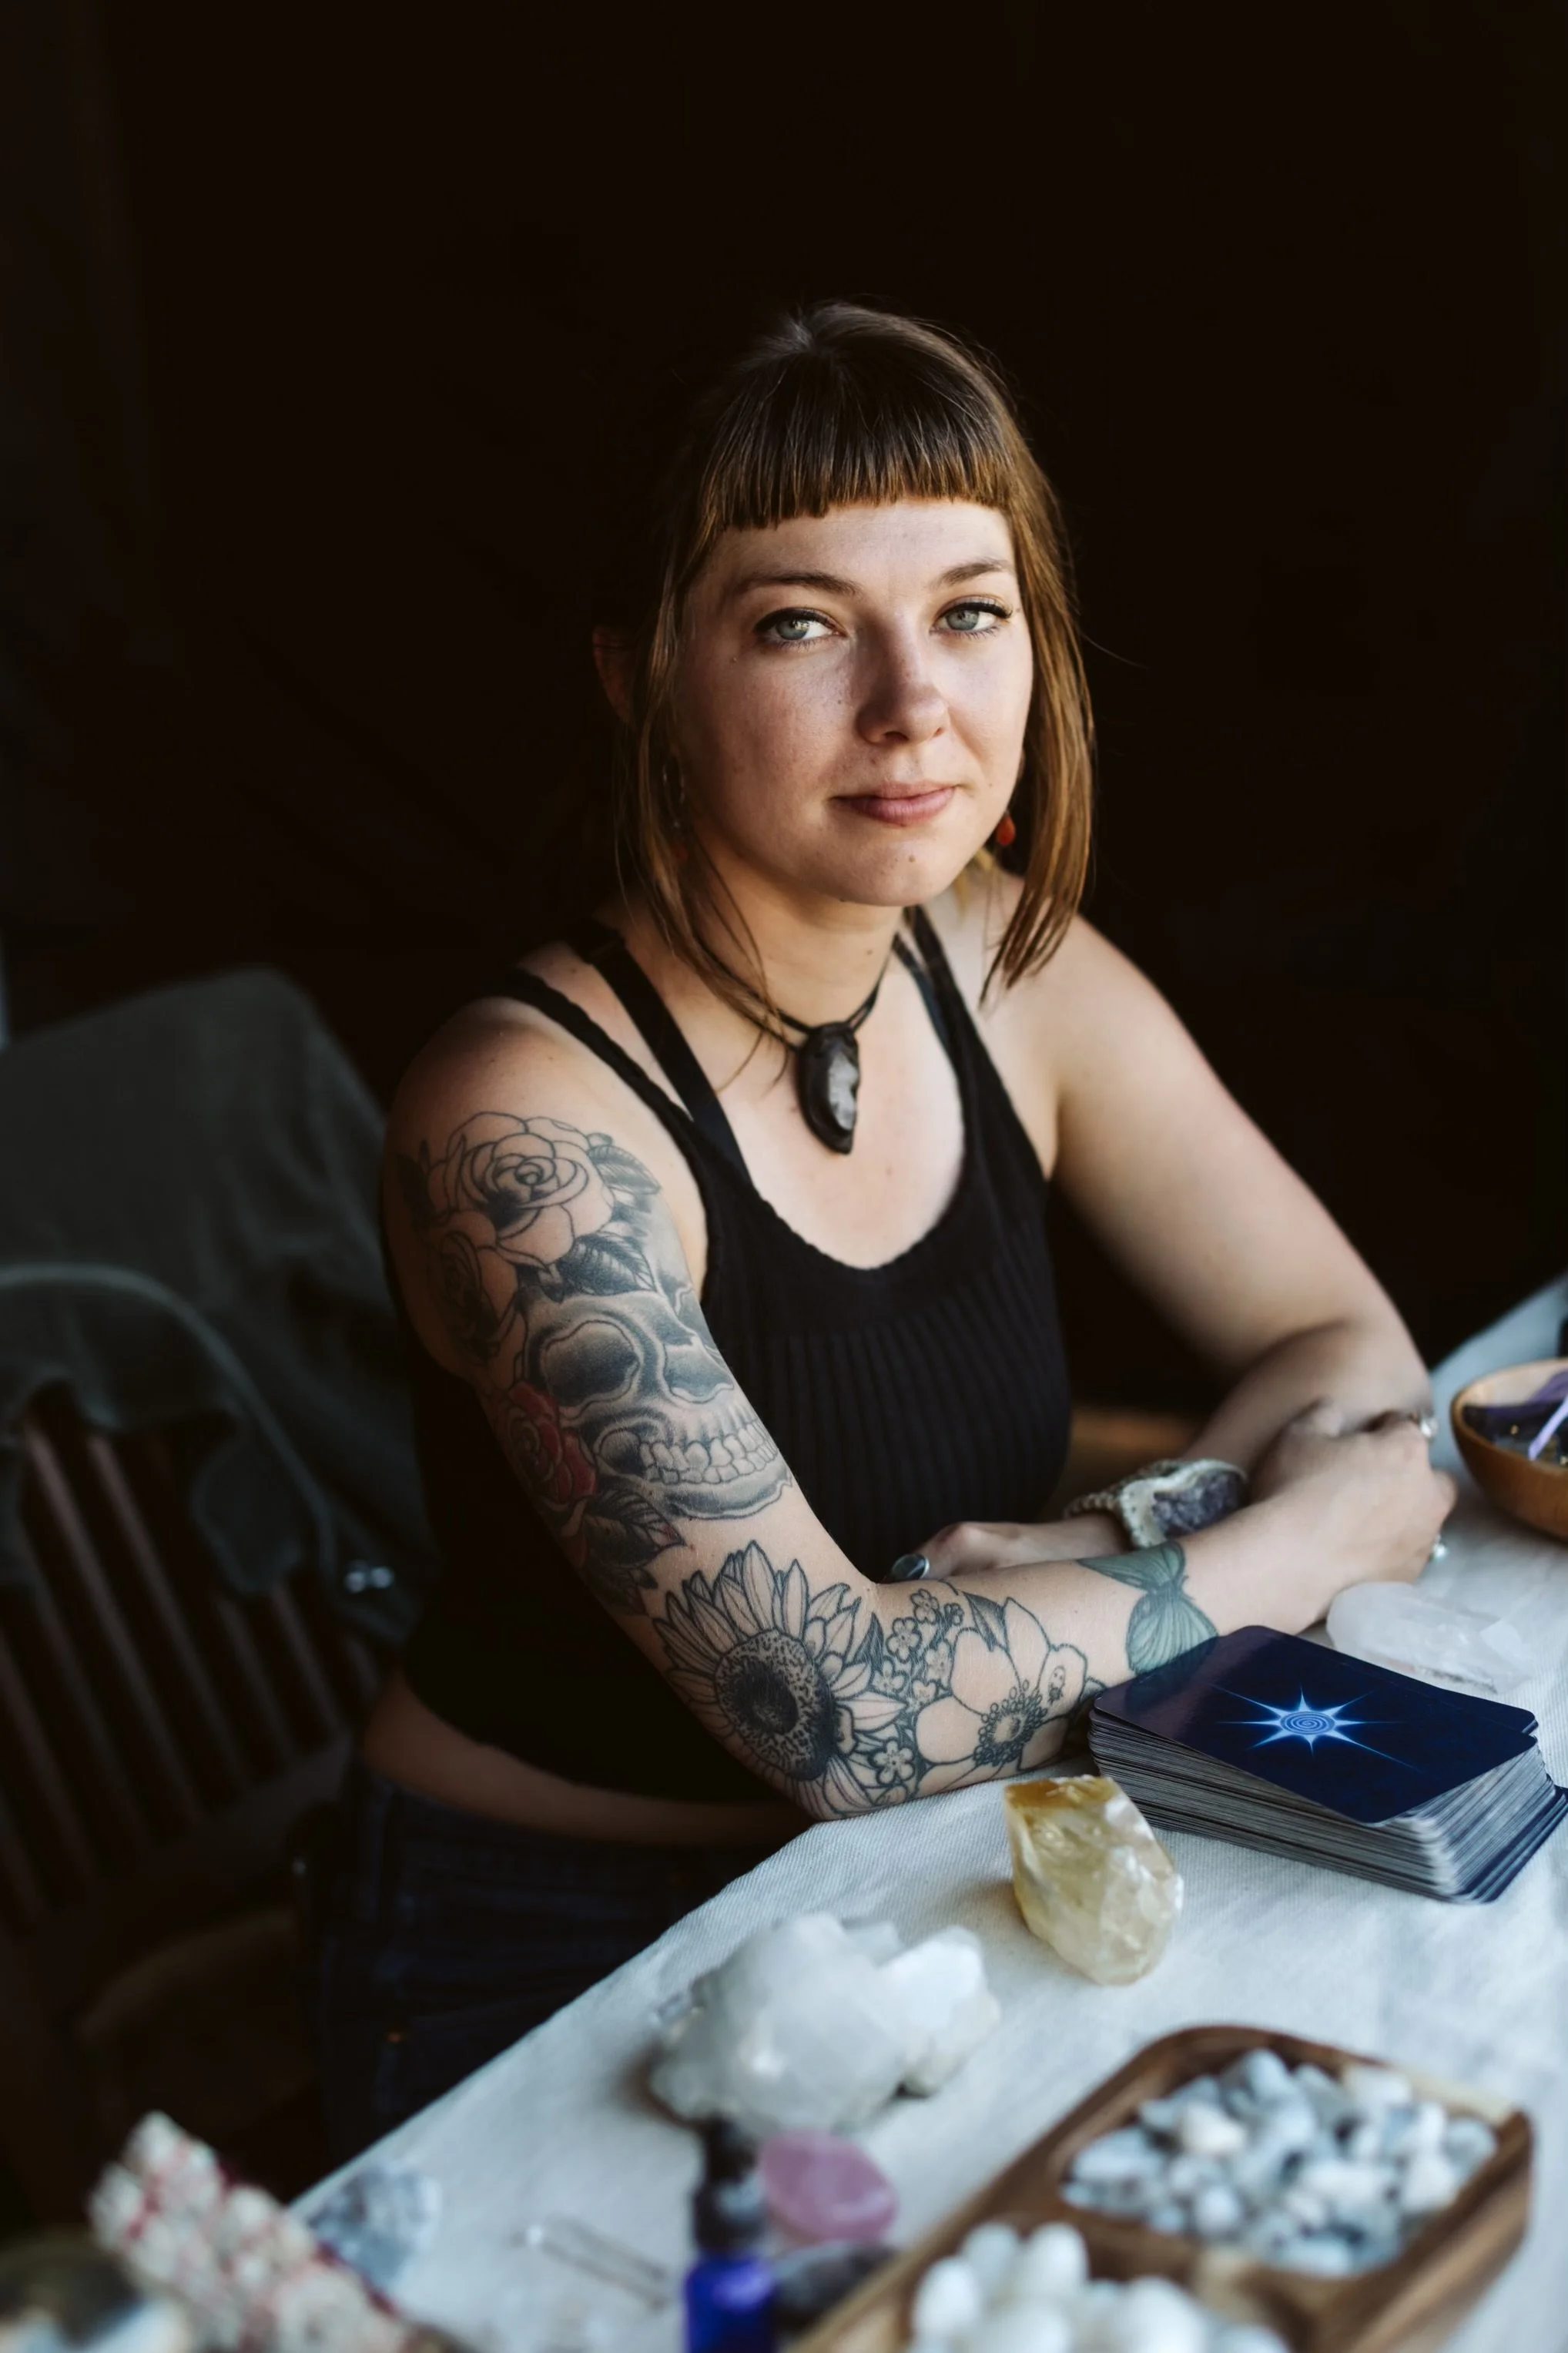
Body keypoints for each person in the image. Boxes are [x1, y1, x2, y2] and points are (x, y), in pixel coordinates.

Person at [311, 303, 1453, 2154]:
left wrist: (1090, 1542)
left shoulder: (1008, 960)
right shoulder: (522, 1127)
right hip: (559, 1960)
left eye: (968, 611)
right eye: (800, 623)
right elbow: (842, 1715)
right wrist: (1298, 1532)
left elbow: (1342, 1345)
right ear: (638, 677)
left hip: (944, 1875)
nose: (913, 704)